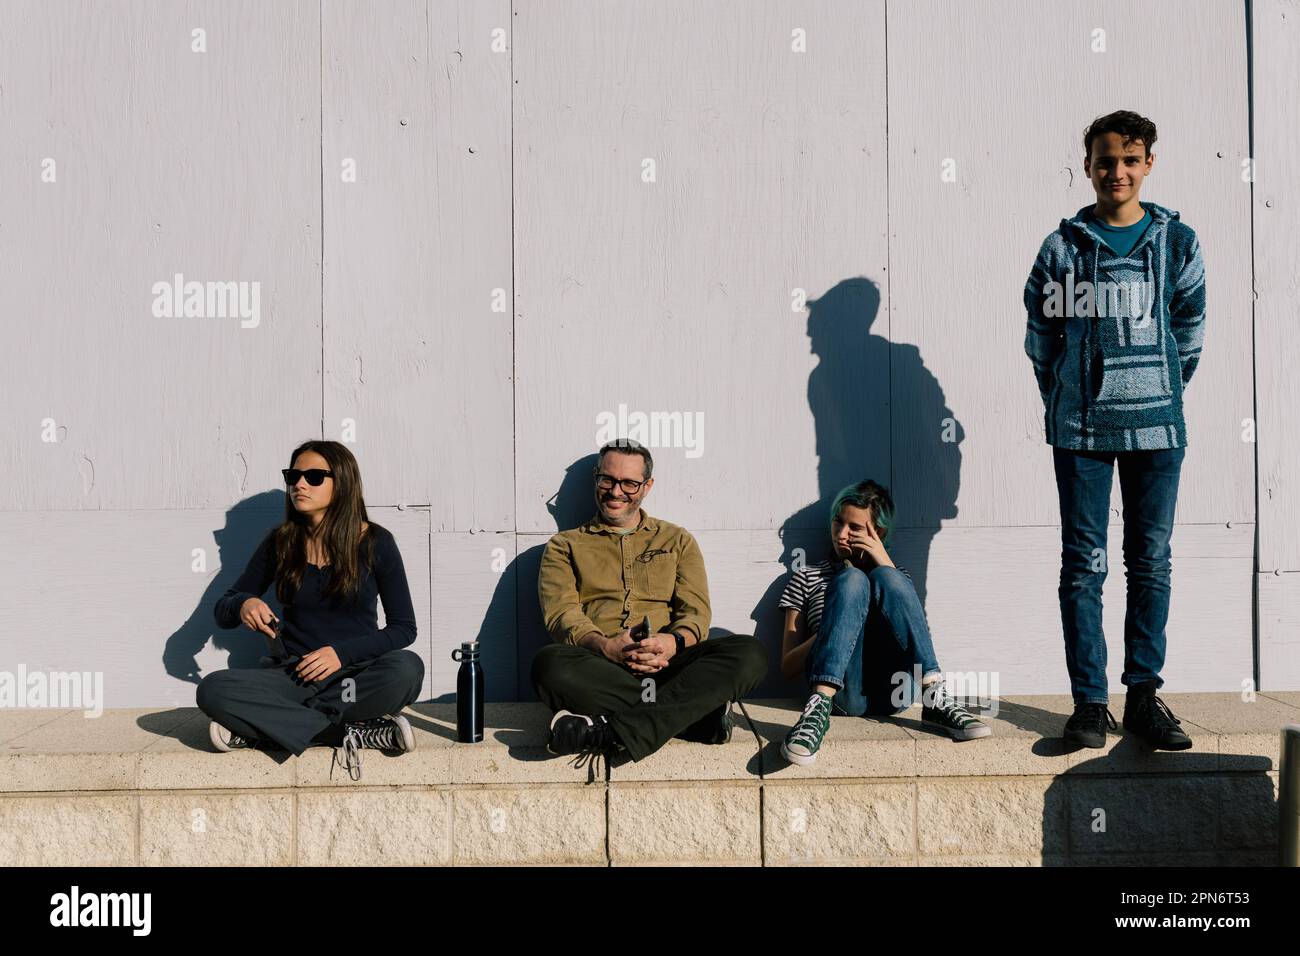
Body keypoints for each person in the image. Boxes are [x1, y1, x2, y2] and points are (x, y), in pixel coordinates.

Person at [1024, 110, 1205, 750]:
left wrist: (1159, 387)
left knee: (1149, 562)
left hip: (1158, 429)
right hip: (1081, 431)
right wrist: (1068, 393)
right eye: (1106, 160)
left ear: (1149, 164)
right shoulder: (1062, 247)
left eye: (1130, 160)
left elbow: (1190, 331)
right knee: (1084, 565)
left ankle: (1144, 698)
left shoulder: (1178, 243)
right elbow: (1041, 334)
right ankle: (1089, 704)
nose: (1117, 171)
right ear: (1089, 166)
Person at [197, 440, 424, 779]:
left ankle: (270, 732)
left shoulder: (376, 543)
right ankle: (352, 732)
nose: (299, 484)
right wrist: (244, 603)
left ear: (343, 482)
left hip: (353, 679)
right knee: (213, 689)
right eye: (294, 475)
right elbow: (223, 610)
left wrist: (340, 654)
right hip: (294, 677)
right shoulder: (281, 542)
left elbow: (404, 628)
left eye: (314, 476)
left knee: (407, 669)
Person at [531, 439, 767, 764]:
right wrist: (606, 646)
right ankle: (696, 720)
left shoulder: (677, 540)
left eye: (629, 483)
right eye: (607, 480)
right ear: (596, 479)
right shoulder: (564, 546)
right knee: (548, 665)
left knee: (750, 653)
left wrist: (672, 642)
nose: (616, 492)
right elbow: (563, 616)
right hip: (603, 670)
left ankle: (608, 733)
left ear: (647, 486)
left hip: (670, 668)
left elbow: (696, 615)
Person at [779, 480, 990, 765]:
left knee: (888, 578)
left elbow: (913, 637)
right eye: (837, 522)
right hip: (844, 694)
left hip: (894, 689)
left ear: (877, 532)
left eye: (854, 528)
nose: (841, 534)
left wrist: (883, 561)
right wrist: (833, 628)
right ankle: (817, 709)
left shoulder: (896, 577)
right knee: (851, 580)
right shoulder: (807, 577)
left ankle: (935, 695)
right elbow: (788, 667)